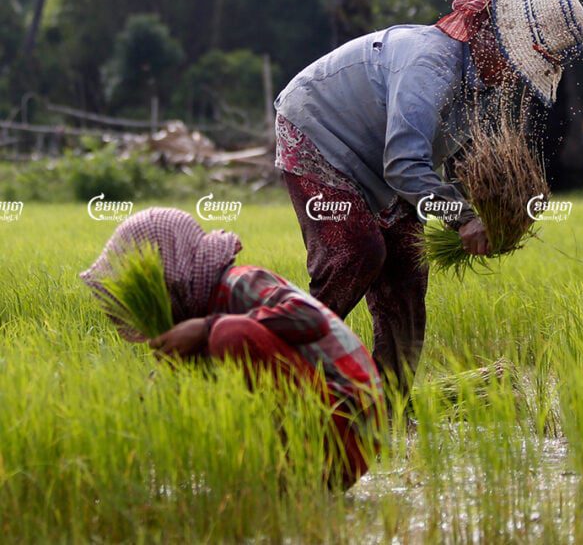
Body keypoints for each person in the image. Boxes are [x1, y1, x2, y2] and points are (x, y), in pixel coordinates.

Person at [272, 0, 583, 397]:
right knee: (356, 254)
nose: (517, 74)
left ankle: (387, 406)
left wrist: (490, 209)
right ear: (491, 33)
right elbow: (404, 165)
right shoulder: (431, 64)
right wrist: (462, 219)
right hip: (319, 133)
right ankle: (276, 374)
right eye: (519, 60)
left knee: (406, 275)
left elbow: (447, 157)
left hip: (379, 164)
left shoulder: (481, 85)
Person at [80, 207, 382, 490]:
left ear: (171, 269)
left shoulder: (239, 283)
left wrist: (208, 327)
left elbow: (310, 317)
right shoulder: (195, 325)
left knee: (230, 334)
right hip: (320, 436)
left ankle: (289, 467)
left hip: (350, 425)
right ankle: (271, 478)